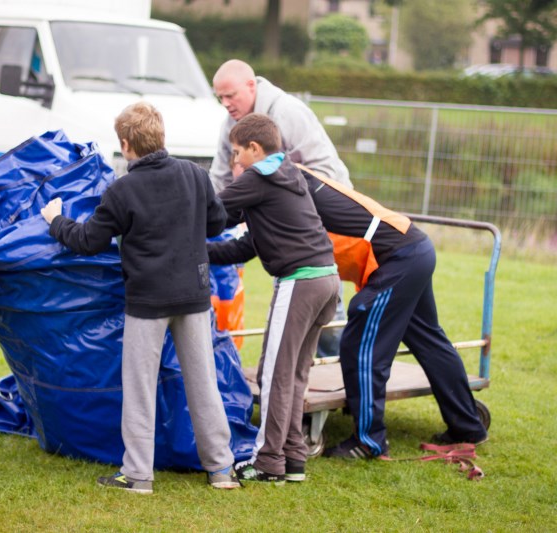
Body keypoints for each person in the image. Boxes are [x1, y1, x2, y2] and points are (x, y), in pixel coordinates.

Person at [40, 101, 240, 494]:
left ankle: (137, 476)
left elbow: (87, 240)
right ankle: (221, 471)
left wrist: (55, 220)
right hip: (194, 297)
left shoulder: (122, 189)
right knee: (204, 384)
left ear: (127, 144)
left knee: (139, 390)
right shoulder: (195, 176)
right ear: (161, 136)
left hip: (147, 302)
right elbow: (217, 222)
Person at [287, 164, 489, 458]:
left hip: (397, 257)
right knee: (428, 339)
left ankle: (369, 441)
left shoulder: (287, 180)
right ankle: (468, 427)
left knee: (360, 346)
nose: (237, 172)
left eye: (239, 162)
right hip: (413, 248)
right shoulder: (290, 180)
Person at [206, 114, 340, 484]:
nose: (235, 162)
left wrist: (172, 225)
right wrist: (204, 252)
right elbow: (250, 244)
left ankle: (267, 462)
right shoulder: (288, 173)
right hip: (327, 279)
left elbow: (212, 211)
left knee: (273, 373)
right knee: (295, 374)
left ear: (255, 148)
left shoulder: (258, 176)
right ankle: (293, 458)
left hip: (301, 282)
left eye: (237, 154)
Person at [209, 59, 351, 358]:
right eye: (219, 97)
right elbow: (219, 180)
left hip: (321, 218)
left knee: (325, 309)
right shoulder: (230, 125)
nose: (225, 103)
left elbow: (325, 169)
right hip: (277, 230)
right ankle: (309, 378)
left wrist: (286, 206)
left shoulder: (288, 112)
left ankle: (341, 376)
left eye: (230, 95)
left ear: (251, 85)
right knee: (290, 302)